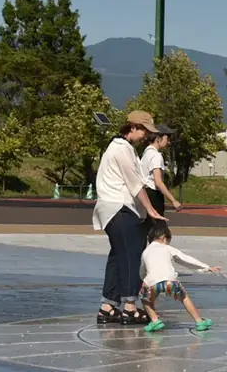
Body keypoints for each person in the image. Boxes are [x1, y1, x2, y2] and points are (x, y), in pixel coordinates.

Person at [94, 110, 169, 326]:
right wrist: (152, 211)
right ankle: (129, 307)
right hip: (119, 208)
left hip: (111, 209)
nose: (146, 135)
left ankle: (107, 306)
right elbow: (135, 185)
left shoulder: (122, 147)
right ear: (133, 127)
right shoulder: (121, 149)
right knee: (133, 254)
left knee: (118, 255)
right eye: (144, 130)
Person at [140, 219, 220, 332]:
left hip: (153, 284)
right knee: (184, 298)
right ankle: (199, 321)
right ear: (164, 238)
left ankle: (155, 321)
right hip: (170, 282)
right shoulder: (167, 248)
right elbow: (185, 259)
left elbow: (143, 269)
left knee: (145, 300)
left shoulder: (146, 252)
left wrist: (143, 281)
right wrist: (206, 267)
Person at [139, 124, 183, 242]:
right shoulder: (156, 156)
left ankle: (140, 252)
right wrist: (173, 200)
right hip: (153, 194)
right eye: (166, 138)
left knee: (148, 227)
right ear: (158, 138)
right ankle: (157, 255)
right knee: (160, 230)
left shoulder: (146, 153)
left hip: (145, 193)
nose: (168, 142)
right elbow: (158, 182)